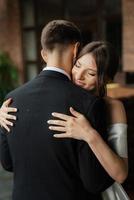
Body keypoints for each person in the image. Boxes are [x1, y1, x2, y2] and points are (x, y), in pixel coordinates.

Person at [0, 21, 113, 200]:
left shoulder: (11, 100)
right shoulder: (88, 104)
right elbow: (94, 182)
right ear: (76, 49)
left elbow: (7, 163)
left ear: (44, 54)